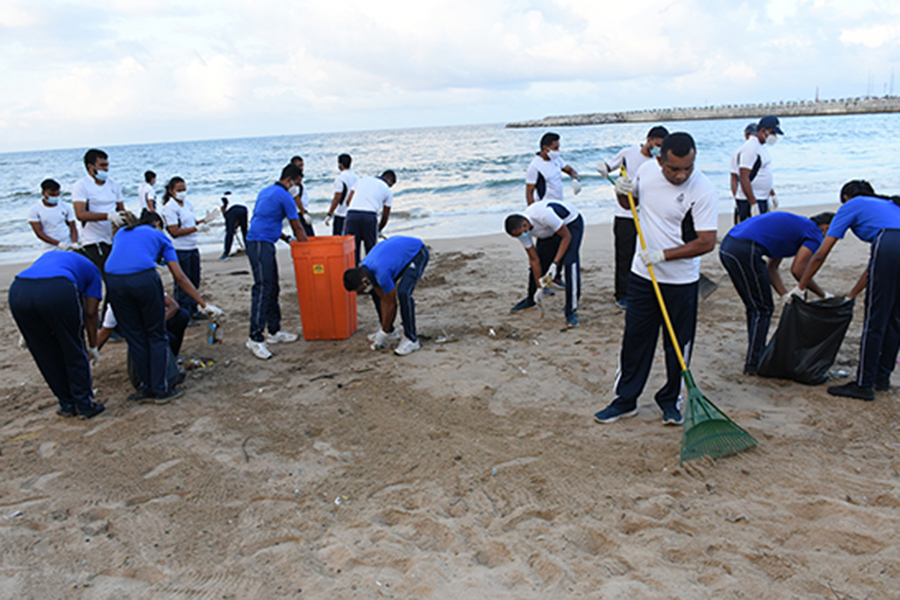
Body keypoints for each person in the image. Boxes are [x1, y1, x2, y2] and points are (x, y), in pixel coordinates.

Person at [593, 132, 718, 426]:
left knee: (678, 346)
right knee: (635, 340)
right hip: (643, 277)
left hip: (681, 281)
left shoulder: (704, 190)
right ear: (660, 159)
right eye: (674, 168)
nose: (681, 174)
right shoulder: (647, 171)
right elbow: (629, 206)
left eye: (688, 167)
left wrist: (663, 255)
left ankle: (670, 400)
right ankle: (625, 400)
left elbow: (706, 242)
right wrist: (620, 190)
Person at [795, 180, 900, 401]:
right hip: (892, 246)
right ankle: (882, 378)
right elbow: (874, 267)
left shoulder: (852, 205)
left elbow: (821, 253)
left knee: (875, 320)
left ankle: (863, 385)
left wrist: (800, 286)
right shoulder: (889, 205)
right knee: (894, 318)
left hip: (891, 243)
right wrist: (851, 295)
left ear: (846, 198)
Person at [104, 211, 222, 403]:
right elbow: (180, 277)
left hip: (113, 280)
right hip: (143, 278)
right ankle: (160, 390)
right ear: (158, 224)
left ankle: (145, 388)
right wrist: (203, 304)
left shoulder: (121, 233)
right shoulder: (160, 236)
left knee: (135, 337)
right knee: (156, 335)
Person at [719, 211, 834, 375]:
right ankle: (754, 363)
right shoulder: (814, 232)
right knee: (762, 309)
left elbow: (771, 267)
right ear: (826, 228)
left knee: (755, 307)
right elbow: (799, 270)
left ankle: (756, 353)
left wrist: (784, 295)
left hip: (729, 247)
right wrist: (823, 294)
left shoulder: (799, 227)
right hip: (745, 249)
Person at [9, 250, 105, 418]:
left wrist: (26, 332)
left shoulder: (50, 255)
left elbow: (36, 286)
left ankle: (66, 403)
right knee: (73, 348)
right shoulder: (92, 269)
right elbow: (91, 313)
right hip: (57, 290)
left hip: (19, 289)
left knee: (44, 352)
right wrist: (92, 345)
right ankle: (84, 405)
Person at [597, 126, 669, 309]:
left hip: (648, 215)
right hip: (625, 214)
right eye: (658, 145)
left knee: (650, 251)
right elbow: (609, 166)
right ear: (649, 140)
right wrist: (603, 168)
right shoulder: (628, 153)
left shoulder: (659, 161)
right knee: (625, 255)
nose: (658, 149)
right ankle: (622, 295)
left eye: (662, 146)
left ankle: (650, 288)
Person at [245, 164, 309, 360]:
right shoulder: (285, 197)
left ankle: (274, 331)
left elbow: (266, 219)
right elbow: (297, 226)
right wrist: (308, 247)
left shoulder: (266, 191)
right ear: (290, 180)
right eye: (297, 183)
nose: (297, 187)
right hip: (259, 243)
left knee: (273, 287)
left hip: (261, 241)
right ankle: (255, 338)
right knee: (263, 287)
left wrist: (284, 238)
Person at [343, 236, 429, 356]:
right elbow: (383, 298)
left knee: (403, 293)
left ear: (364, 281)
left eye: (361, 290)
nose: (362, 293)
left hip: (417, 252)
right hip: (396, 255)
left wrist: (383, 332)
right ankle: (391, 331)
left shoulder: (381, 273)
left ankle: (412, 339)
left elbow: (390, 303)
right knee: (375, 292)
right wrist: (385, 329)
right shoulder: (366, 268)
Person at [504, 199, 584, 328]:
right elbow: (534, 259)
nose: (521, 237)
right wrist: (540, 287)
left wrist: (556, 263)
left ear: (525, 225)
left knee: (570, 263)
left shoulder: (544, 215)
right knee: (540, 260)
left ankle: (571, 311)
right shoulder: (522, 232)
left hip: (570, 224)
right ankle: (532, 299)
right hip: (549, 232)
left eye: (520, 234)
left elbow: (566, 237)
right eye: (517, 236)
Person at [161, 176, 211, 321]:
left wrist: (204, 221)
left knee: (194, 279)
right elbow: (174, 231)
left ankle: (193, 309)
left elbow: (191, 222)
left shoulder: (187, 204)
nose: (182, 192)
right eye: (179, 190)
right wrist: (196, 228)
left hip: (192, 246)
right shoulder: (170, 208)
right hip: (180, 249)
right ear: (171, 191)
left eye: (184, 189)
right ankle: (184, 313)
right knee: (182, 281)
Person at [71, 148, 126, 273]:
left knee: (119, 272)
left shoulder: (114, 185)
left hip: (114, 238)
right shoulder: (81, 186)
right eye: (102, 165)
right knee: (105, 273)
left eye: (107, 165)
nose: (106, 168)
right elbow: (80, 214)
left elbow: (121, 210)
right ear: (90, 167)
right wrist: (108, 216)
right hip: (93, 239)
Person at [97, 294, 189, 358]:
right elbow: (104, 333)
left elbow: (174, 306)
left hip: (153, 325)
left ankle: (172, 357)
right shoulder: (115, 306)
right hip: (140, 335)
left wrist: (159, 322)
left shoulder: (147, 288)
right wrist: (92, 352)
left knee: (181, 316)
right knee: (168, 338)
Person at [734, 116, 783, 223]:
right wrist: (753, 203)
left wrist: (771, 193)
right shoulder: (750, 148)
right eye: (772, 133)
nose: (774, 136)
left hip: (761, 198)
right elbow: (744, 177)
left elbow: (761, 173)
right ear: (763, 131)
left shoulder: (760, 148)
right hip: (750, 200)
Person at [344, 170, 396, 264]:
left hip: (352, 214)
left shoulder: (363, 180)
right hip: (369, 216)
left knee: (352, 248)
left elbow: (348, 200)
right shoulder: (387, 190)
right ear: (390, 182)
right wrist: (378, 229)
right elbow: (385, 215)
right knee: (371, 250)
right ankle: (369, 273)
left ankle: (353, 272)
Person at [525, 132, 581, 206]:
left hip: (559, 203)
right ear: (545, 149)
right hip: (545, 206)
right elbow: (529, 193)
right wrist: (532, 211)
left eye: (558, 147)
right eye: (555, 148)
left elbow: (570, 170)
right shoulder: (534, 166)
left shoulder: (556, 160)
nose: (558, 151)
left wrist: (575, 179)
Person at [28, 179, 79, 252]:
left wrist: (74, 242)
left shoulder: (66, 207)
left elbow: (73, 227)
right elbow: (39, 233)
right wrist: (58, 243)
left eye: (57, 194)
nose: (55, 197)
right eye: (52, 195)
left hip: (68, 245)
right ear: (43, 193)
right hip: (49, 248)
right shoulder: (34, 210)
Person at [325, 153, 358, 236]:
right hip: (353, 212)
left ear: (340, 164)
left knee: (338, 238)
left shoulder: (340, 178)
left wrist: (329, 213)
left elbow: (337, 197)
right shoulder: (356, 178)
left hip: (341, 213)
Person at [290, 156, 315, 238]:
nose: (302, 168)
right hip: (298, 213)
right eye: (299, 165)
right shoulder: (291, 181)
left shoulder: (299, 179)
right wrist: (304, 214)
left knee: (310, 236)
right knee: (305, 236)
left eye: (302, 165)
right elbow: (296, 198)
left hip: (303, 211)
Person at [219, 192, 248, 259]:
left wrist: (228, 222)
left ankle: (226, 253)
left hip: (233, 209)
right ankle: (249, 249)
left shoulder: (223, 197)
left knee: (229, 232)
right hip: (244, 209)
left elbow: (223, 209)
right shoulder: (237, 197)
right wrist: (235, 224)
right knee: (244, 230)